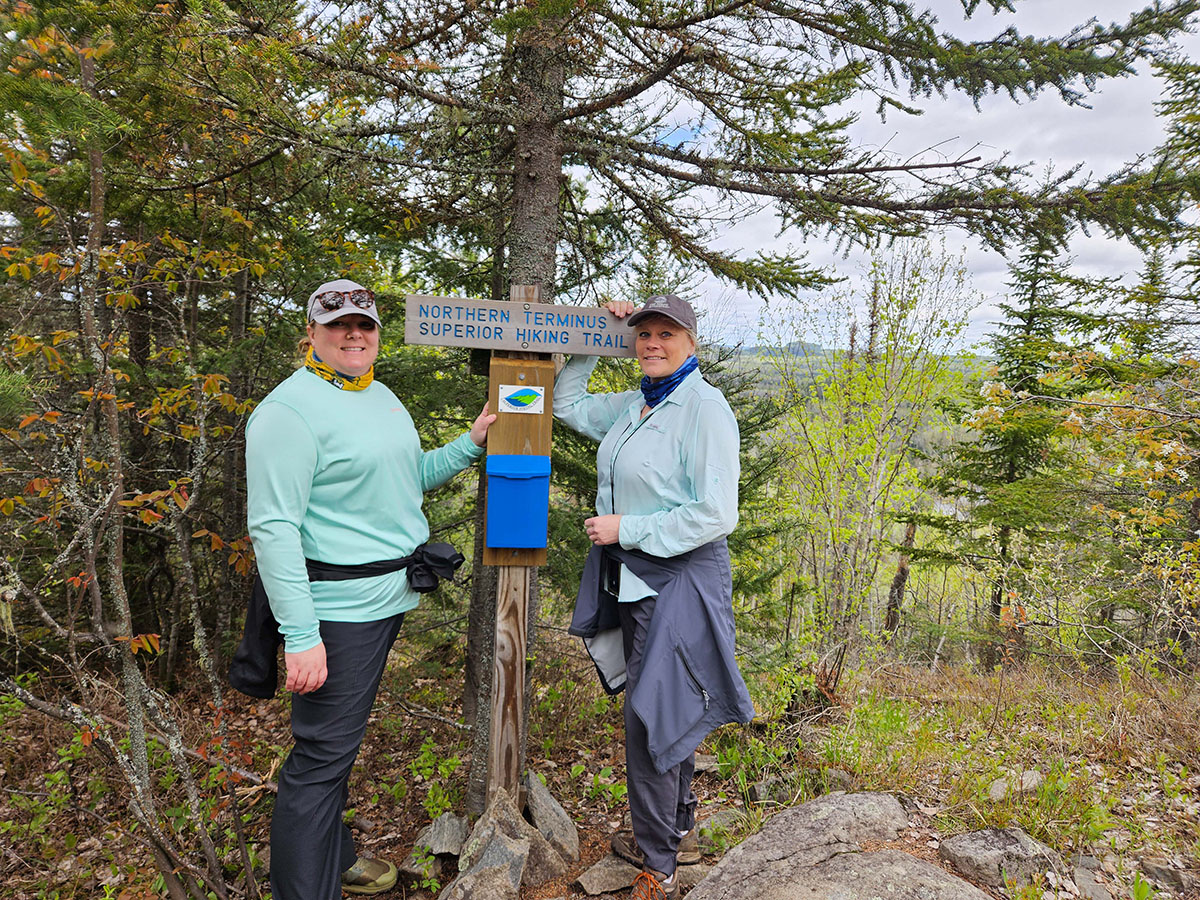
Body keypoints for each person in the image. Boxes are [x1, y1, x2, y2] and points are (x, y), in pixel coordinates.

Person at [245, 278, 495, 899]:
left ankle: (336, 860)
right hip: (335, 613)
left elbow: (403, 479)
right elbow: (273, 531)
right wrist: (302, 638)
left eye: (364, 324)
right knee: (320, 760)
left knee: (332, 750)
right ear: (312, 334)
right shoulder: (288, 412)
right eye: (337, 325)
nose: (353, 334)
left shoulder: (377, 394)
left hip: (383, 601)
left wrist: (468, 446)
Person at [554, 293, 755, 900]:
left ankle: (659, 863)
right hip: (636, 577)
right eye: (644, 333)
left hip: (682, 576)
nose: (652, 343)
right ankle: (681, 823)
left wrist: (628, 529)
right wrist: (599, 333)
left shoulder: (704, 409)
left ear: (691, 342)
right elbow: (566, 404)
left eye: (666, 334)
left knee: (649, 715)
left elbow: (716, 513)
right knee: (666, 704)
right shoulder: (636, 405)